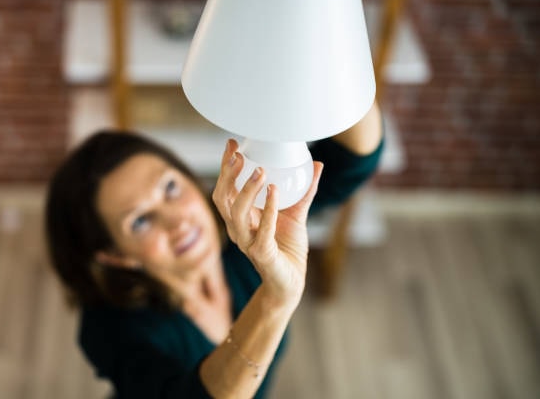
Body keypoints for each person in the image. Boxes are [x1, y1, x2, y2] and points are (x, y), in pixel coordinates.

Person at [45, 102, 383, 398]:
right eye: (140, 221)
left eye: (171, 187)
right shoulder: (110, 328)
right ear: (116, 256)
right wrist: (276, 300)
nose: (178, 221)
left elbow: (352, 161)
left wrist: (340, 68)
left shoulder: (243, 229)